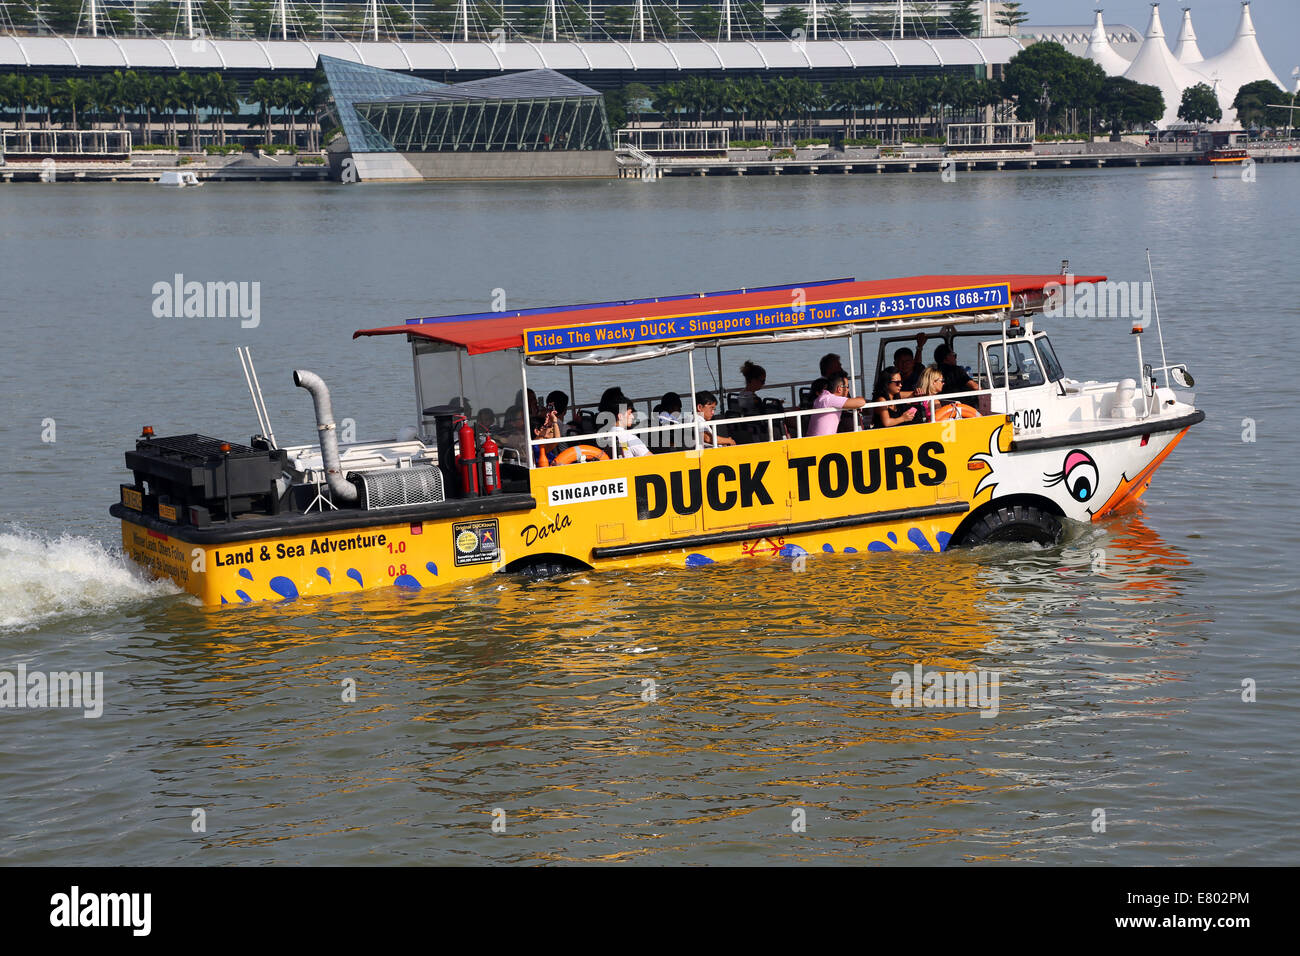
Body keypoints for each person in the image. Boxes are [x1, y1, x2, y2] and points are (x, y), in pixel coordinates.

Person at [808, 372, 866, 437]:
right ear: (839, 389)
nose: (848, 390)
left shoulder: (823, 397)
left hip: (813, 440)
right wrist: (859, 398)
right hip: (823, 442)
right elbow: (861, 402)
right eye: (847, 387)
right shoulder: (830, 399)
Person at [934, 343, 978, 407]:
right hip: (963, 406)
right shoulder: (957, 370)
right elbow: (975, 387)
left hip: (944, 407)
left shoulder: (934, 373)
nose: (955, 358)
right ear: (946, 358)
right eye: (954, 355)